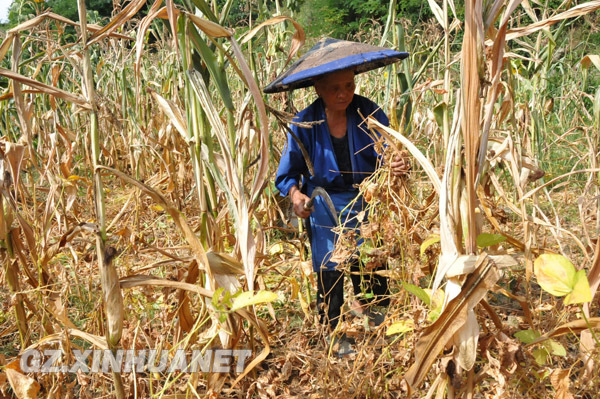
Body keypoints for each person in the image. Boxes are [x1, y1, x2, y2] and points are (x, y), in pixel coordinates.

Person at [275, 69, 410, 351]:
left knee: (371, 262)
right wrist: (296, 194)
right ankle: (333, 334)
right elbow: (288, 174)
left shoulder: (368, 113)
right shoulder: (304, 123)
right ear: (318, 89)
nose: (343, 93)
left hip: (365, 199)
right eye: (335, 88)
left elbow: (389, 150)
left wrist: (395, 163)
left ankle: (378, 329)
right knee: (330, 267)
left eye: (348, 86)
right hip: (324, 203)